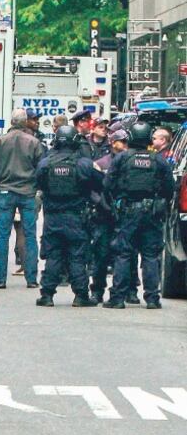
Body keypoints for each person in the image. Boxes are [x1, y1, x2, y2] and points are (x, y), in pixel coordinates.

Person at [103, 121, 175, 310]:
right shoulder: (158, 160)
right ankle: (152, 298)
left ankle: (118, 298)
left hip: (128, 211)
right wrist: (160, 205)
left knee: (123, 254)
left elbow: (108, 184)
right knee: (151, 255)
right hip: (152, 212)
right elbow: (169, 187)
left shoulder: (122, 158)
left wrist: (116, 202)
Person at [35, 125, 102, 307]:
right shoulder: (84, 164)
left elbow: (37, 183)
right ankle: (81, 296)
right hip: (76, 217)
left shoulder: (45, 164)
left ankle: (47, 295)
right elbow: (101, 183)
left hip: (53, 218)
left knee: (53, 256)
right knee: (77, 257)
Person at [0, 108, 43, 289]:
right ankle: (31, 279)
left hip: (5, 191)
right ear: (25, 122)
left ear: (11, 122)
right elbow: (40, 169)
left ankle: (0, 279)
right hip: (27, 192)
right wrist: (35, 186)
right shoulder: (34, 142)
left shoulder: (0, 141)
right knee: (30, 235)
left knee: (3, 235)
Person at [89, 129, 128, 303]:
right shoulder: (101, 163)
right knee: (101, 254)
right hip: (104, 215)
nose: (125, 145)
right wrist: (101, 203)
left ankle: (127, 291)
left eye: (127, 142)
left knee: (125, 255)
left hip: (125, 214)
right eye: (122, 141)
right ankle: (97, 291)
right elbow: (91, 188)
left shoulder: (130, 162)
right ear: (113, 142)